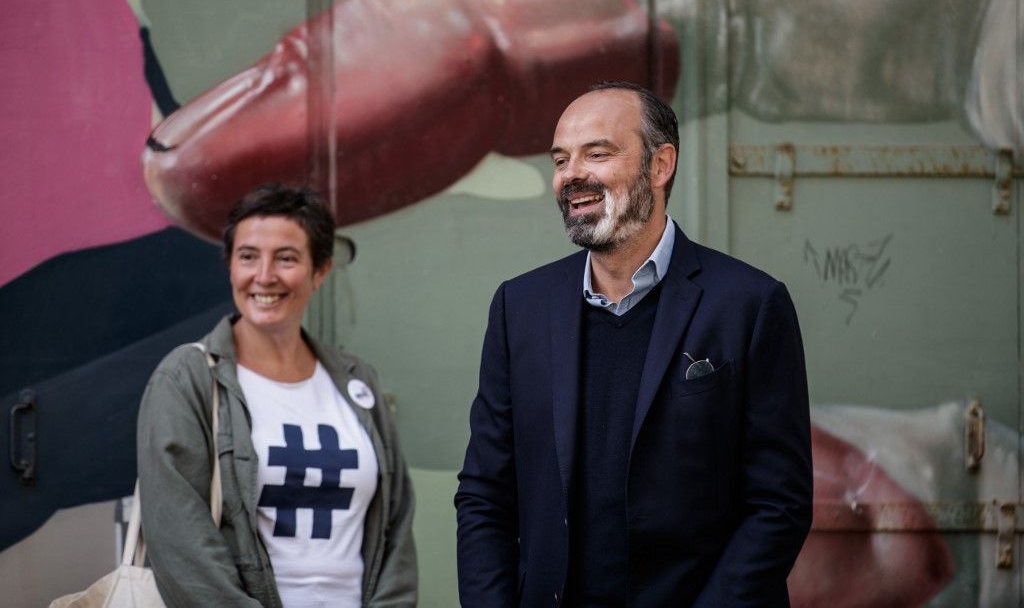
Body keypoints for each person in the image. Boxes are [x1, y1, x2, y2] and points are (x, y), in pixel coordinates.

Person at [455, 82, 812, 606]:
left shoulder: (750, 305)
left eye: (597, 154)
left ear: (660, 165)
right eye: (561, 159)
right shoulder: (520, 307)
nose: (571, 174)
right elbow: (485, 493)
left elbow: (779, 504)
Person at [137, 183, 416, 607]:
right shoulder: (186, 379)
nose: (264, 276)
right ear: (230, 266)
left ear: (320, 271)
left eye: (286, 258)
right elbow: (183, 549)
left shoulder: (358, 383)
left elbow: (396, 530)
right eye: (248, 257)